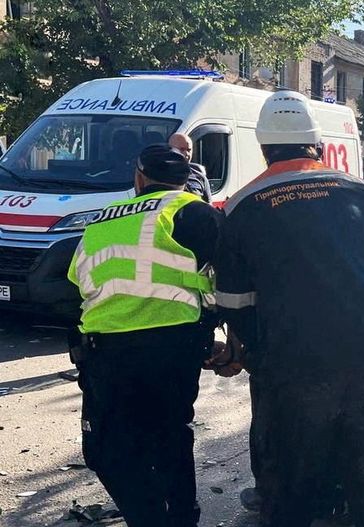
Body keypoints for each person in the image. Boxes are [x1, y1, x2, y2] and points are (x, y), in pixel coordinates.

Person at [213, 90, 364, 527]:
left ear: (264, 147)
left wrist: (260, 351)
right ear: (317, 145)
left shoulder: (242, 206)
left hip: (294, 370)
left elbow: (233, 301)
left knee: (291, 492)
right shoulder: (357, 191)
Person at [67, 144, 222, 527]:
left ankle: (150, 517)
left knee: (108, 448)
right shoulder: (195, 212)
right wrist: (228, 339)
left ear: (139, 178)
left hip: (106, 350)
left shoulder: (103, 218)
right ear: (186, 179)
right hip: (175, 346)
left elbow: (75, 280)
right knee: (169, 436)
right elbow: (227, 279)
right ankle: (178, 518)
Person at [168, 133, 212, 203]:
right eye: (182, 149)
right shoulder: (159, 176)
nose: (187, 154)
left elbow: (208, 206)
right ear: (170, 150)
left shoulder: (200, 178)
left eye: (189, 150)